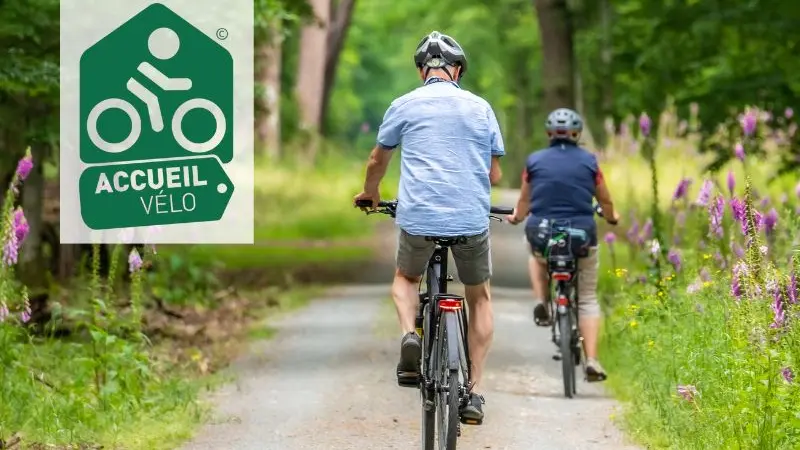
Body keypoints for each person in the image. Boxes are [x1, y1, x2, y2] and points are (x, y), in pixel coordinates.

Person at [353, 31, 505, 424]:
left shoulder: (403, 105)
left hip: (418, 217)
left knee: (406, 278)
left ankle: (410, 335)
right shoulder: (480, 107)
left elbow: (376, 160)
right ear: (457, 70)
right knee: (480, 296)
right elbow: (495, 172)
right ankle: (476, 393)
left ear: (423, 71)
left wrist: (371, 194)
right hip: (471, 219)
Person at [506, 108, 619, 382]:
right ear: (577, 134)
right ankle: (592, 359)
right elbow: (604, 200)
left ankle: (542, 300)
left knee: (536, 255)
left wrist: (517, 217)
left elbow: (524, 201)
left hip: (543, 233)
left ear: (548, 134)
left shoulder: (534, 161)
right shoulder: (591, 162)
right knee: (588, 298)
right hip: (581, 235)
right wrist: (613, 217)